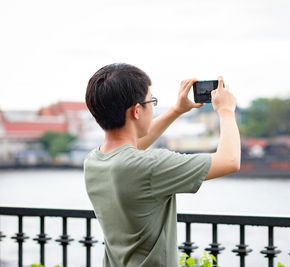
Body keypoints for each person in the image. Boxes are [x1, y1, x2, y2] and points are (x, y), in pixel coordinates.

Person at [83, 63, 240, 267]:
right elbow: (230, 161)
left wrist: (176, 110)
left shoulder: (94, 161)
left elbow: (130, 146)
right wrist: (226, 111)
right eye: (152, 101)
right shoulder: (148, 167)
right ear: (137, 111)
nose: (153, 107)